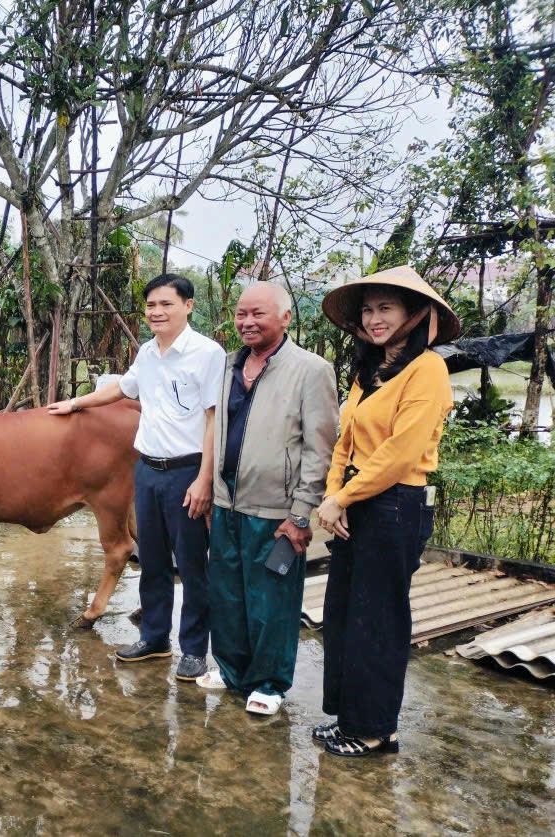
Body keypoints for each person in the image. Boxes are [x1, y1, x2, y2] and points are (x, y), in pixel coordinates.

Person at [48, 273, 225, 680]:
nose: (157, 312)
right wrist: (74, 404)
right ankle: (155, 638)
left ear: (188, 306)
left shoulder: (207, 353)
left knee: (193, 564)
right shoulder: (147, 352)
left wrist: (204, 480)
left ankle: (195, 649)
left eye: (166, 304)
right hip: (146, 470)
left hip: (186, 472)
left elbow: (215, 419)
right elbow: (122, 389)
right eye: (151, 306)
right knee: (154, 561)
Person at [313, 265, 457, 757]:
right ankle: (351, 719)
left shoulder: (428, 370)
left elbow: (399, 453)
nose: (375, 319)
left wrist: (342, 498)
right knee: (344, 614)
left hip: (395, 504)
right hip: (354, 499)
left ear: (415, 314)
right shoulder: (368, 371)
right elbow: (345, 441)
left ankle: (376, 731)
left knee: (378, 619)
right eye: (369, 309)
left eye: (386, 308)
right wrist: (334, 493)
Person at [197, 282, 338, 715]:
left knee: (271, 600)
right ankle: (232, 668)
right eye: (241, 314)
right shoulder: (226, 365)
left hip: (276, 509)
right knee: (227, 594)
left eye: (258, 314)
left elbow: (320, 448)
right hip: (227, 504)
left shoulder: (310, 370)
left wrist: (301, 514)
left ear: (285, 318)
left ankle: (270, 683)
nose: (247, 322)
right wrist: (212, 489)